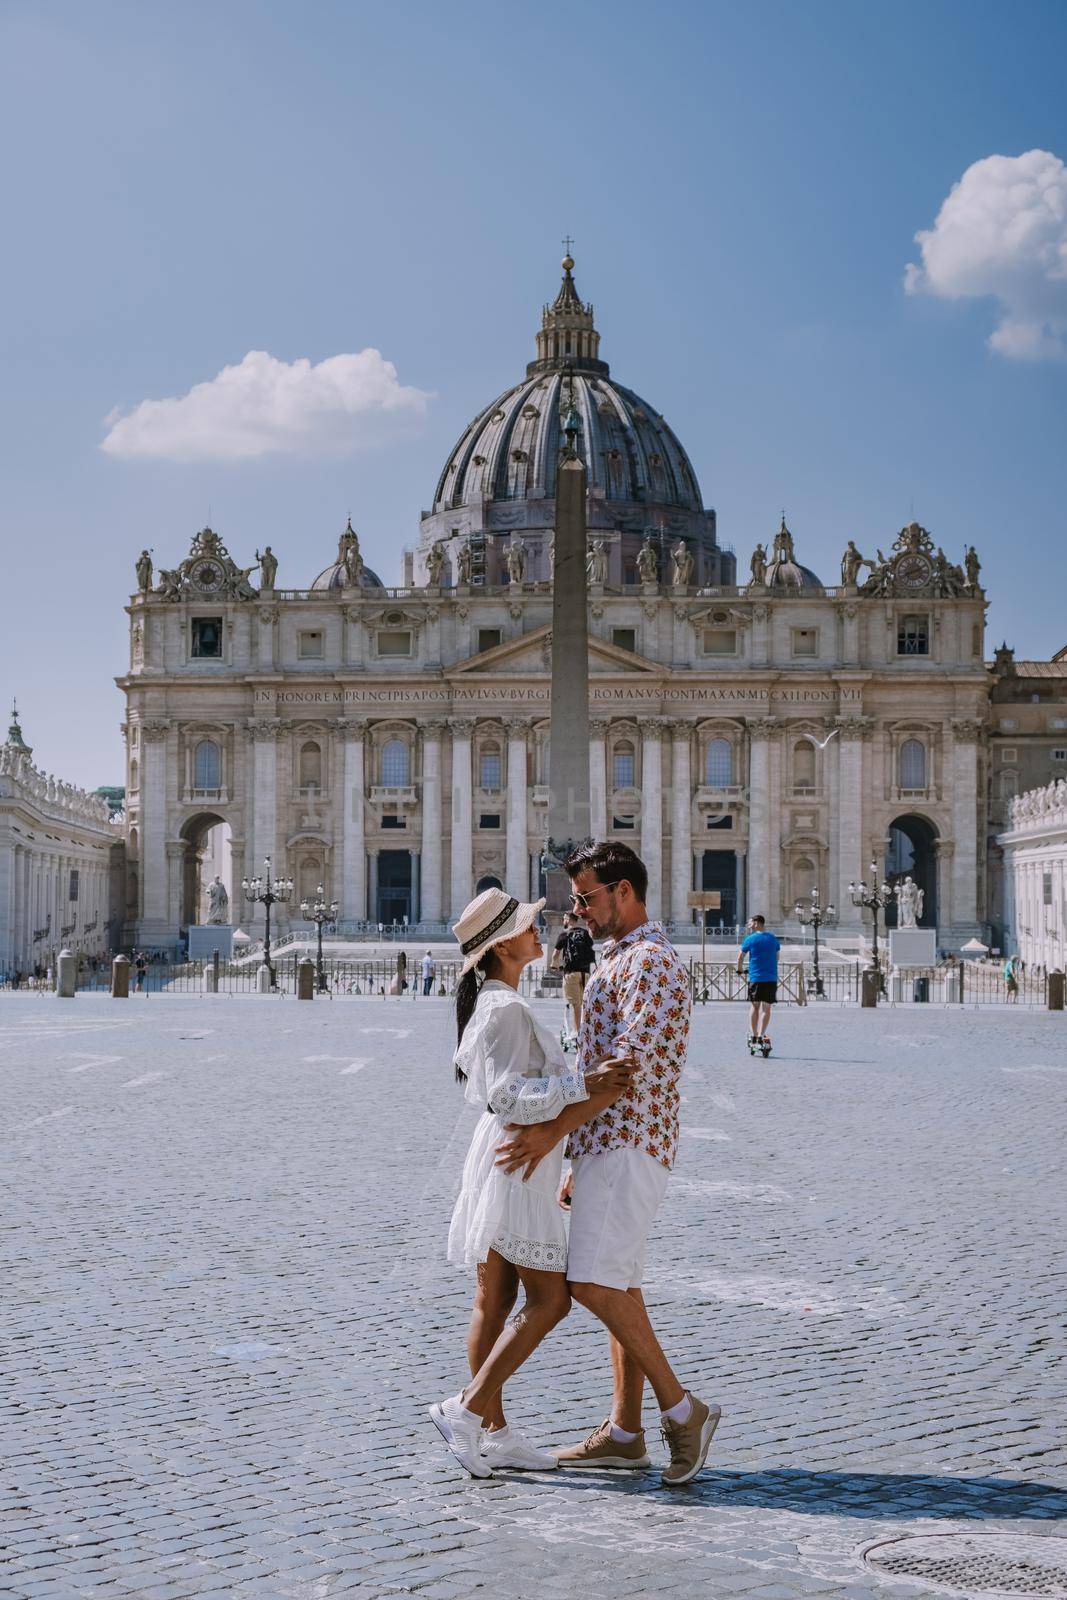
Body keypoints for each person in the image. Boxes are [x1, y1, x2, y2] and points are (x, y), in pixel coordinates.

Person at [496, 841, 721, 1488]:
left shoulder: (647, 962)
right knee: (615, 1282)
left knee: (592, 1284)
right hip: (606, 1143)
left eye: (587, 898)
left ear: (624, 891)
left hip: (629, 1138)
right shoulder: (619, 958)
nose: (577, 911)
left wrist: (551, 1137)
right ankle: (625, 1433)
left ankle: (683, 1409)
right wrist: (576, 1148)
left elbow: (625, 1071)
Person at [430, 887, 636, 1477]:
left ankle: (495, 1433)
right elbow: (506, 1096)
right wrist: (588, 1083)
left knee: (492, 1300)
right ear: (501, 946)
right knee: (550, 1300)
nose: (538, 930)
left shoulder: (496, 1003)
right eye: (527, 926)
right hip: (519, 1158)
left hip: (505, 1153)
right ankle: (468, 1413)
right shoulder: (505, 1010)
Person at [737, 915, 780, 1049]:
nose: (748, 924)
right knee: (767, 1009)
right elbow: (777, 957)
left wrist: (740, 971)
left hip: (756, 978)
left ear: (756, 923)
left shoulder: (750, 939)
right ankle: (761, 1035)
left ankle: (754, 1035)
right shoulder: (773, 938)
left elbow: (740, 958)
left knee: (755, 1006)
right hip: (771, 978)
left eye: (750, 922)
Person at [552, 912, 596, 1036]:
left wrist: (554, 965)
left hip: (571, 973)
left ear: (568, 920)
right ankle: (587, 1030)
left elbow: (555, 955)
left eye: (564, 919)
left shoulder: (564, 935)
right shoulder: (585, 934)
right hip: (586, 973)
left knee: (575, 1004)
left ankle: (577, 1032)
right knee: (585, 1003)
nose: (563, 921)